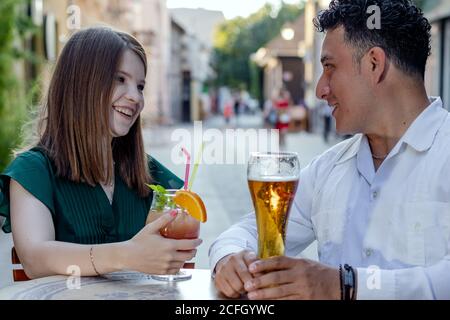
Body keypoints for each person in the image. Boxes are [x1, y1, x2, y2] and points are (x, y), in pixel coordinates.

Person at [209, 0, 450, 300]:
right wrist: (229, 259)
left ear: (374, 64)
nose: (319, 89)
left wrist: (345, 286)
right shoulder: (329, 168)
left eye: (329, 67)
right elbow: (244, 232)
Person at [0, 27, 202, 279]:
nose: (135, 97)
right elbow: (35, 259)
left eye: (140, 86)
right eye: (120, 79)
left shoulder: (149, 176)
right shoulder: (33, 172)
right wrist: (127, 254)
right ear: (80, 83)